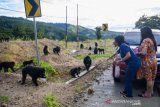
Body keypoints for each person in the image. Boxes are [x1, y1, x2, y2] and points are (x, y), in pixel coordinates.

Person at [137, 26, 157, 97]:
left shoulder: (145, 40)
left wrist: (138, 53)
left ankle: (147, 94)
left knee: (148, 79)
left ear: (144, 33)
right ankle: (150, 92)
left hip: (147, 62)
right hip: (154, 61)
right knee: (152, 78)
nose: (141, 34)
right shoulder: (152, 40)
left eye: (141, 32)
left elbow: (144, 52)